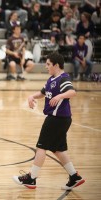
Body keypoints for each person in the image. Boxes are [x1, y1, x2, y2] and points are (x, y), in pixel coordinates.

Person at [12, 52, 85, 190]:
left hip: (56, 119)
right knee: (58, 149)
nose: (46, 67)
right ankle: (74, 176)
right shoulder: (52, 79)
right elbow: (43, 93)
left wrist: (60, 96)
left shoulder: (63, 78)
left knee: (41, 147)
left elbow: (72, 92)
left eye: (48, 64)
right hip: (60, 120)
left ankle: (31, 178)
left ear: (56, 65)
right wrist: (31, 96)